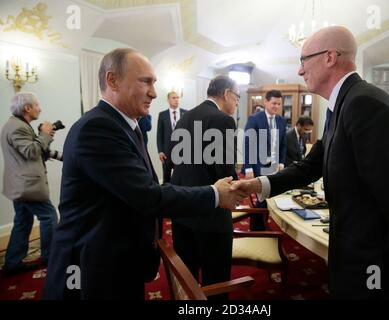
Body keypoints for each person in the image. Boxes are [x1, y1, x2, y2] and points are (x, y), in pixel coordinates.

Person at [232, 26, 389, 299]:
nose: (299, 71)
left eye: (303, 60)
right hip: (352, 250)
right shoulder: (343, 105)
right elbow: (310, 166)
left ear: (330, 57)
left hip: (374, 261)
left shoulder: (366, 104)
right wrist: (258, 184)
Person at [43, 48, 243, 300]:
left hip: (120, 262)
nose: (154, 92)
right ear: (112, 80)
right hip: (91, 271)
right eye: (145, 81)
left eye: (154, 82)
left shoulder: (126, 125)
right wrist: (215, 194)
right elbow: (148, 195)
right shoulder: (97, 127)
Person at [170, 75, 239, 299]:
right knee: (216, 283)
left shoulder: (184, 117)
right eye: (237, 98)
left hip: (182, 212)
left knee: (188, 282)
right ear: (227, 94)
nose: (236, 103)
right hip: (212, 217)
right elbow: (225, 174)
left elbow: (176, 162)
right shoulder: (224, 120)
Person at [1, 92, 57, 275]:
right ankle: (50, 256)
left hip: (20, 185)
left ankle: (12, 263)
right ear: (27, 108)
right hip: (27, 186)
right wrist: (44, 133)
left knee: (22, 222)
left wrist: (45, 138)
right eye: (37, 105)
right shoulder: (17, 127)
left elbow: (33, 152)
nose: (39, 108)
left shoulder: (17, 124)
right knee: (48, 216)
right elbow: (31, 151)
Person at [242, 90, 287, 230]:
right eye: (274, 103)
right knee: (261, 198)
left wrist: (281, 162)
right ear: (266, 102)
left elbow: (283, 144)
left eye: (279, 104)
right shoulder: (255, 119)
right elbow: (248, 144)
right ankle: (256, 229)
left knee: (270, 197)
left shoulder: (281, 120)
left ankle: (264, 224)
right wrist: (248, 167)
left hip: (274, 166)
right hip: (258, 165)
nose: (276, 106)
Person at [157, 91, 186, 183]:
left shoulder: (186, 113)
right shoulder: (162, 115)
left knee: (182, 176)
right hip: (167, 152)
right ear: (168, 100)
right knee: (166, 177)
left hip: (182, 151)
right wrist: (160, 151)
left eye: (177, 97)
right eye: (173, 98)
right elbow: (159, 134)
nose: (176, 100)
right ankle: (166, 196)